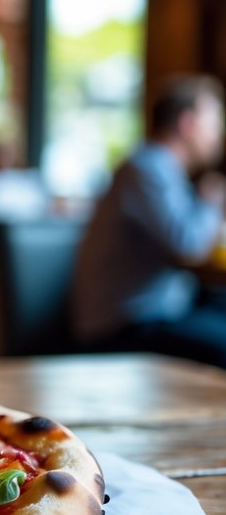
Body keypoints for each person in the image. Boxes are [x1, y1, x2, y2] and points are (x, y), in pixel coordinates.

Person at [71, 75, 226, 366]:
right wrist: (211, 201)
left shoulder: (163, 170)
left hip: (159, 311)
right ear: (187, 123)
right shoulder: (147, 168)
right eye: (214, 123)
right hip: (122, 325)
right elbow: (188, 245)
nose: (218, 134)